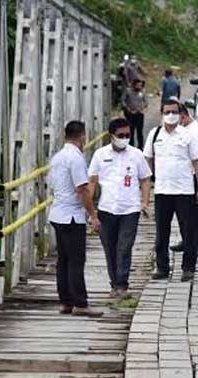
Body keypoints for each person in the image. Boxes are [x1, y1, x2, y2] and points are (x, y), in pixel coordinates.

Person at [144, 99, 198, 282]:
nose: (171, 115)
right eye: (167, 112)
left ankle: (188, 267)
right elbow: (148, 159)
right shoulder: (155, 134)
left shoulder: (187, 135)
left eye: (174, 111)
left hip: (184, 190)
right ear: (161, 113)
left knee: (188, 231)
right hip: (162, 190)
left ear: (180, 114)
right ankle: (162, 267)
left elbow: (196, 161)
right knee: (161, 232)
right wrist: (146, 189)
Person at [89, 118, 152, 299]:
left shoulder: (136, 154)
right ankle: (114, 283)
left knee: (125, 246)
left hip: (129, 208)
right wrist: (90, 210)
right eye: (120, 135)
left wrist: (145, 203)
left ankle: (122, 284)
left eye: (127, 135)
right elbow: (92, 181)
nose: (124, 138)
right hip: (106, 208)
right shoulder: (100, 155)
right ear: (112, 136)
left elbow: (145, 178)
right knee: (110, 248)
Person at [47, 121, 102, 318]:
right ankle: (80, 302)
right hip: (71, 216)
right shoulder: (76, 159)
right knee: (76, 261)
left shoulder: (57, 157)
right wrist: (93, 215)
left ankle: (65, 301)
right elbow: (83, 189)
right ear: (82, 137)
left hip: (57, 214)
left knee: (63, 260)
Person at [171, 103, 198, 257]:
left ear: (183, 115)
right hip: (189, 174)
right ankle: (188, 240)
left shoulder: (194, 132)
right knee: (186, 212)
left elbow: (195, 158)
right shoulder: (186, 130)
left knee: (195, 212)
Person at [121, 79, 148, 149]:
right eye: (137, 85)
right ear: (134, 85)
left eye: (140, 85)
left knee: (139, 131)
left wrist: (142, 107)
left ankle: (140, 147)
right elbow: (123, 100)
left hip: (140, 113)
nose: (139, 87)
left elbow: (146, 102)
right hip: (130, 114)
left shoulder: (143, 92)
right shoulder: (128, 91)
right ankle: (131, 146)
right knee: (131, 131)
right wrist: (127, 108)